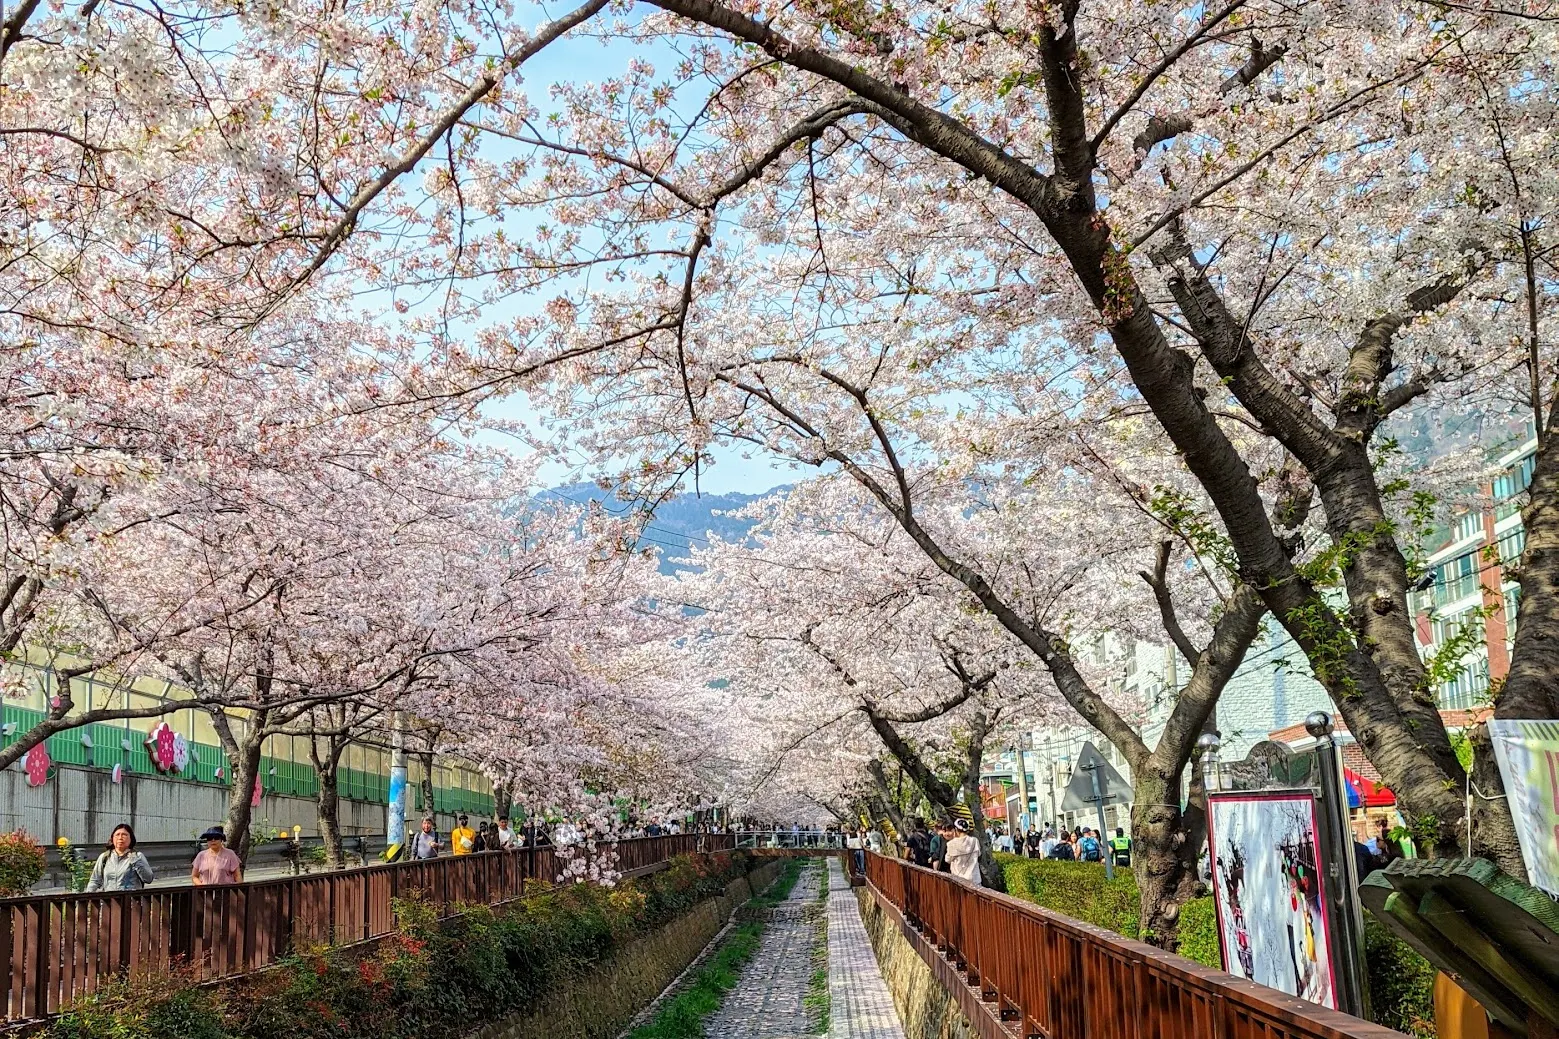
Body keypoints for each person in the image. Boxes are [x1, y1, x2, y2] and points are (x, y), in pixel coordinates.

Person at [85, 823, 155, 892]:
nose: (120, 838)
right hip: (110, 900)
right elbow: (94, 880)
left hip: (131, 901)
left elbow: (148, 879)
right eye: (117, 835)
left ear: (131, 839)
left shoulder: (138, 856)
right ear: (112, 839)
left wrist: (135, 861)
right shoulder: (105, 857)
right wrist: (88, 897)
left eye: (124, 835)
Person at [945, 819, 982, 885]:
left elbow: (947, 860)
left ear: (956, 829)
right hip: (974, 879)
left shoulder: (951, 844)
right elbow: (978, 854)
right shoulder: (974, 841)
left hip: (958, 880)